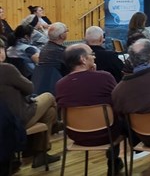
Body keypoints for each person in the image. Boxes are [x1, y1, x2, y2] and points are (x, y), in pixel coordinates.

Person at [55, 43, 123, 175]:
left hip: (76, 135)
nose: (94, 57)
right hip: (107, 134)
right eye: (92, 54)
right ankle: (113, 162)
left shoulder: (60, 84)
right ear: (83, 59)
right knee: (121, 118)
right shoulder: (105, 77)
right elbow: (117, 100)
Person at [0, 38, 60, 168]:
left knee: (49, 112)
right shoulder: (6, 69)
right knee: (49, 96)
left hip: (6, 122)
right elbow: (29, 88)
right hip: (16, 119)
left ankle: (38, 154)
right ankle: (40, 148)